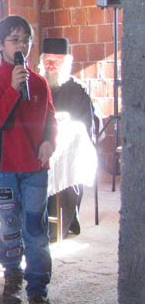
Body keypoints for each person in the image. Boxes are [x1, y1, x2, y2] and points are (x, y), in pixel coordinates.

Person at [0, 15, 57, 304]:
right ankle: (12, 275)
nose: (21, 46)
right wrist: (13, 88)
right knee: (10, 226)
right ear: (0, 45)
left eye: (26, 40)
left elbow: (51, 118)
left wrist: (50, 140)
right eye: (15, 40)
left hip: (35, 167)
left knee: (35, 229)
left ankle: (38, 290)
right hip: (5, 168)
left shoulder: (39, 82)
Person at [39, 37, 95, 237]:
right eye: (47, 60)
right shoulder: (37, 86)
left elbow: (86, 127)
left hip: (69, 148)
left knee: (68, 168)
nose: (51, 65)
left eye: (56, 61)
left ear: (66, 62)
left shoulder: (77, 90)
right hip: (41, 146)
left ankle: (63, 223)